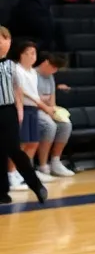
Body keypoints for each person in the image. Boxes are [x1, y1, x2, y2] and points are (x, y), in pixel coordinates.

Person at [0, 28, 47, 204]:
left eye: (5, 39)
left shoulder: (12, 66)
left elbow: (17, 89)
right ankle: (2, 192)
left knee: (14, 150)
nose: (3, 42)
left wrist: (19, 109)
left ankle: (36, 185)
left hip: (8, 110)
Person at [35, 53, 73, 178]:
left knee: (65, 124)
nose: (55, 70)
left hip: (47, 109)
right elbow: (33, 99)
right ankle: (43, 165)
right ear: (46, 62)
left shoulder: (50, 77)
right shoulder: (32, 75)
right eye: (53, 67)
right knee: (50, 126)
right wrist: (46, 108)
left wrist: (53, 111)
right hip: (34, 110)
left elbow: (52, 99)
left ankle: (55, 161)